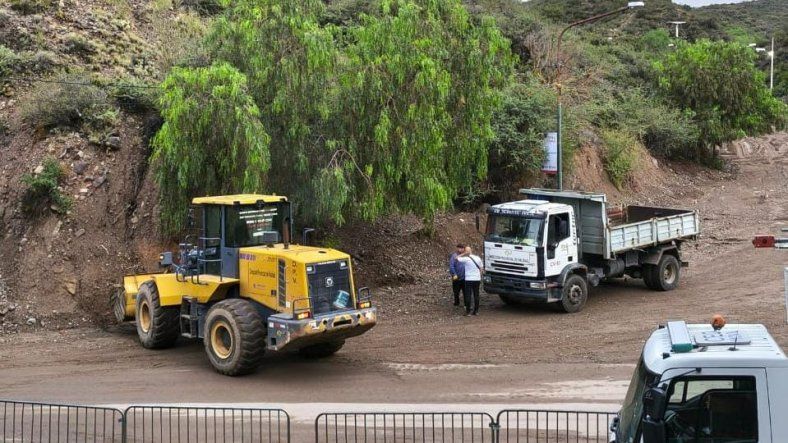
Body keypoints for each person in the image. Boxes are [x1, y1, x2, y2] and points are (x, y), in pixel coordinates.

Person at [456, 246, 483, 316]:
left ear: (466, 251)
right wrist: (478, 276)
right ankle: (476, 311)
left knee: (468, 295)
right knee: (476, 294)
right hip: (477, 279)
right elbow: (481, 268)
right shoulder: (478, 258)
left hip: (469, 279)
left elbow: (456, 258)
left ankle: (468, 312)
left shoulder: (466, 259)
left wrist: (463, 253)